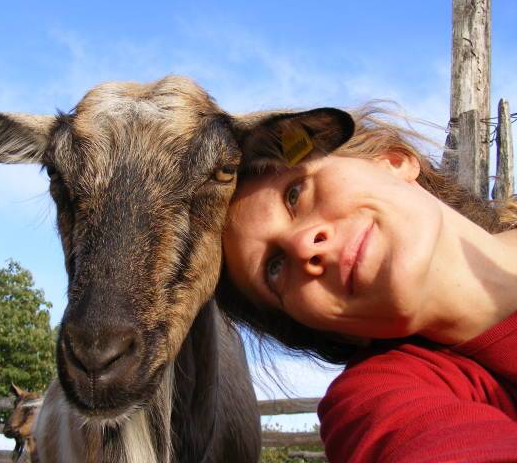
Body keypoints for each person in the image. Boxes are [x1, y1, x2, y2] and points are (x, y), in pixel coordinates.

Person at [216, 104, 517, 462]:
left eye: (294, 194)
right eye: (274, 268)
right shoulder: (379, 398)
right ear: (329, 329)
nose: (302, 245)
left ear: (393, 161)